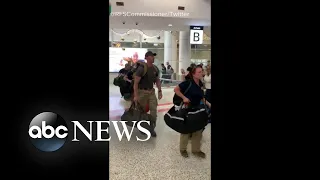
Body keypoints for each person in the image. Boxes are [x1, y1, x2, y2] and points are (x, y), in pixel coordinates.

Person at [173, 66, 211, 158]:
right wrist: (184, 97)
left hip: (198, 109)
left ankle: (196, 150)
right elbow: (176, 89)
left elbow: (201, 96)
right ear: (193, 74)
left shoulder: (200, 84)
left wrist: (208, 103)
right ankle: (183, 149)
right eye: (198, 72)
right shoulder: (188, 83)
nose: (201, 73)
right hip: (188, 109)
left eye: (201, 72)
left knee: (198, 130)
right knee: (186, 130)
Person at [133, 51, 162, 137]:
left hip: (151, 92)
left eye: (153, 56)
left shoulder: (155, 68)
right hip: (142, 92)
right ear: (146, 57)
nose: (153, 57)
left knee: (154, 111)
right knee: (141, 111)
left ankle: (151, 128)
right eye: (151, 56)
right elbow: (136, 83)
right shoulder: (142, 68)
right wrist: (136, 95)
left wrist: (160, 91)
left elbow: (157, 80)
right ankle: (142, 127)